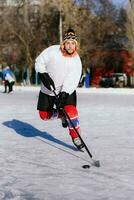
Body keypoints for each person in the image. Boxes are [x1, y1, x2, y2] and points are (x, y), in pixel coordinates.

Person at [35, 28, 84, 150]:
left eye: (73, 43)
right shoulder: (52, 51)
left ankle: (75, 136)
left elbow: (72, 80)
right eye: (68, 43)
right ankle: (61, 115)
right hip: (48, 90)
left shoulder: (76, 61)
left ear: (76, 45)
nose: (70, 46)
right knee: (44, 115)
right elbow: (39, 62)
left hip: (66, 91)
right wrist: (43, 75)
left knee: (71, 112)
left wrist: (64, 93)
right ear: (64, 43)